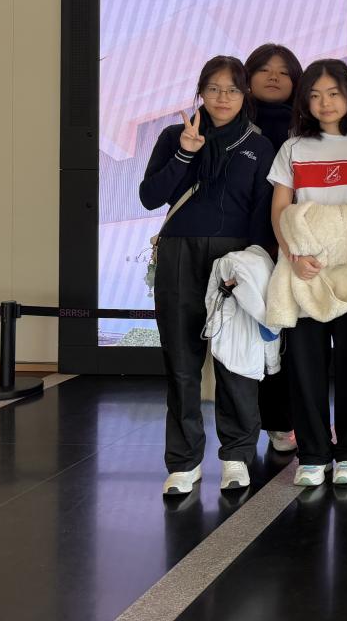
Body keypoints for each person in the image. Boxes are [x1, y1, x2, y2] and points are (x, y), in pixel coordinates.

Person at [140, 56, 275, 496]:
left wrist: (251, 265)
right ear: (201, 91)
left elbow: (262, 214)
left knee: (235, 362)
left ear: (244, 95)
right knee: (182, 363)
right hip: (179, 253)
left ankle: (236, 455)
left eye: (232, 90)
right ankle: (184, 462)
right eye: (214, 89)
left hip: (233, 262)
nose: (222, 98)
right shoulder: (174, 136)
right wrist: (185, 153)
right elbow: (150, 197)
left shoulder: (258, 146)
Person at [268, 59, 347, 486]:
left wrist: (325, 241)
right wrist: (294, 255)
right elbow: (280, 210)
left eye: (334, 93)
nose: (325, 102)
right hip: (305, 272)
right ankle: (314, 454)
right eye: (315, 95)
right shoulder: (292, 149)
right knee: (305, 368)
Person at [243, 43, 303, 454]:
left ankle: (283, 421)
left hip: (295, 245)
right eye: (264, 69)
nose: (274, 76)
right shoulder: (233, 125)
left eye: (283, 71)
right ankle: (245, 426)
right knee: (248, 333)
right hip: (245, 245)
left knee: (289, 338)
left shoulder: (307, 127)